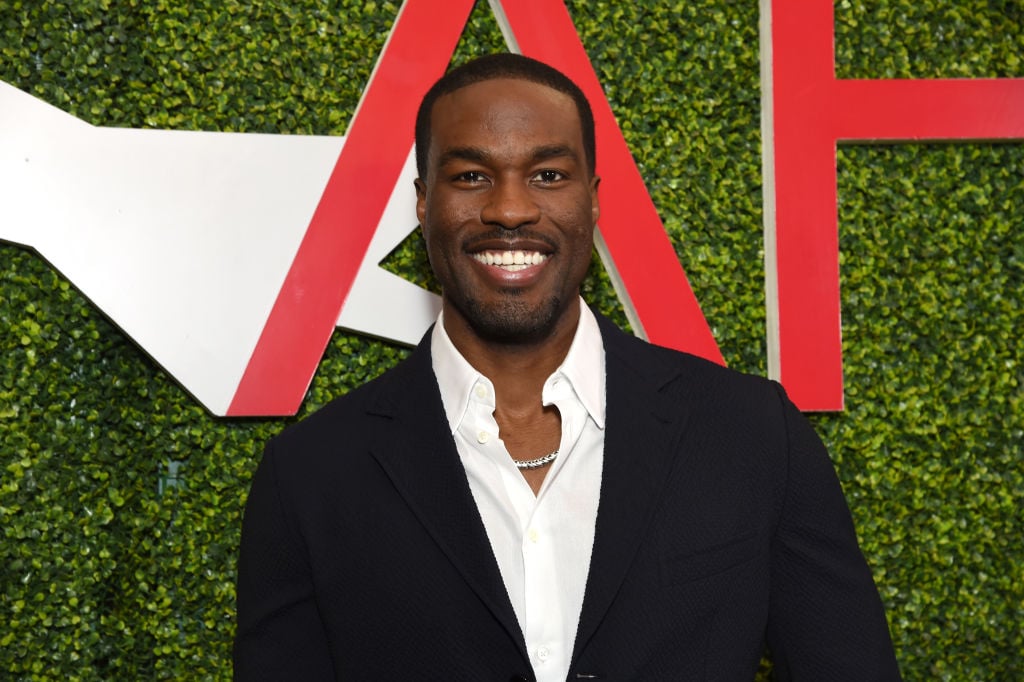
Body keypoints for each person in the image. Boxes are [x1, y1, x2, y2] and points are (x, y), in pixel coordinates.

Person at [234, 53, 901, 681]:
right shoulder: (311, 476)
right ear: (422, 201)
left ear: (593, 198)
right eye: (470, 176)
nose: (511, 209)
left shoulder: (751, 436)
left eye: (548, 175)